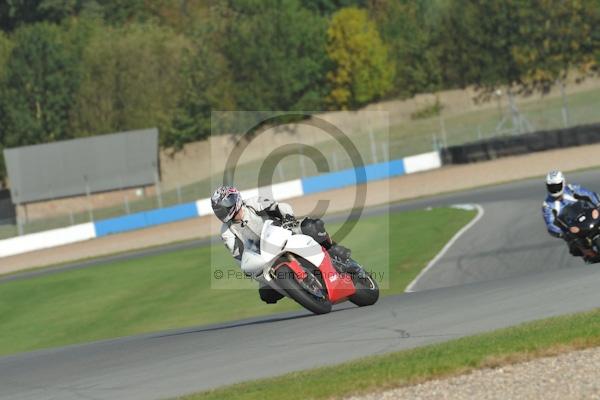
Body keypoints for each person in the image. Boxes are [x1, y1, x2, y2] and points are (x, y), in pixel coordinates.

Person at [211, 185, 351, 304]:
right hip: (264, 255)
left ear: (234, 199)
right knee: (267, 295)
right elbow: (238, 255)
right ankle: (302, 290)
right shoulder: (226, 232)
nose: (222, 212)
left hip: (283, 231)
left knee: (311, 226)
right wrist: (248, 268)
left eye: (223, 207)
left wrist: (287, 217)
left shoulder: (252, 203)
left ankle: (333, 248)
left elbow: (278, 206)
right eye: (218, 210)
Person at [542, 170, 600, 258]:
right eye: (552, 187)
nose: (555, 189)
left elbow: (590, 195)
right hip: (573, 229)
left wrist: (598, 204)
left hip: (589, 217)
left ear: (563, 182)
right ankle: (589, 254)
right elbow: (550, 224)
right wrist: (562, 233)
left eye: (557, 186)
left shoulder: (572, 189)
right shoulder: (547, 205)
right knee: (574, 244)